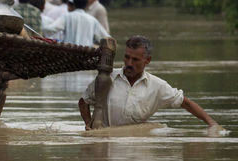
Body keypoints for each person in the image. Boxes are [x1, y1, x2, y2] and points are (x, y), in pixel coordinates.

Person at [79, 36, 219, 130]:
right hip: (105, 145)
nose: (129, 63)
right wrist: (88, 124)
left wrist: (213, 125)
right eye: (127, 57)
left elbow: (186, 103)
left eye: (135, 60)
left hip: (136, 150)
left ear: (147, 60)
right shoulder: (107, 78)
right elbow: (84, 101)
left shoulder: (157, 86)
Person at [45, 0, 109, 46]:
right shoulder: (92, 20)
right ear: (86, 4)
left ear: (74, 4)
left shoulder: (66, 17)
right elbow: (105, 38)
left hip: (69, 53)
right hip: (86, 55)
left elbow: (51, 29)